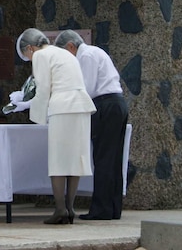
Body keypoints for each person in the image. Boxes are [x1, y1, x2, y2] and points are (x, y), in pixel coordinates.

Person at [9, 28, 96, 225]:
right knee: (75, 160)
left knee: (58, 160)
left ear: (30, 48)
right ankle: (70, 208)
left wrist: (33, 114)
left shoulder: (41, 55)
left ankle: (60, 209)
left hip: (63, 107)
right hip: (81, 106)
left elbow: (43, 88)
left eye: (27, 56)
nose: (30, 60)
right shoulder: (64, 53)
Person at [53, 30, 129, 220]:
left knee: (103, 159)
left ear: (71, 46)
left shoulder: (85, 56)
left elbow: (85, 88)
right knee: (112, 160)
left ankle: (101, 210)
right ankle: (112, 208)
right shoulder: (95, 52)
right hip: (116, 104)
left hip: (105, 106)